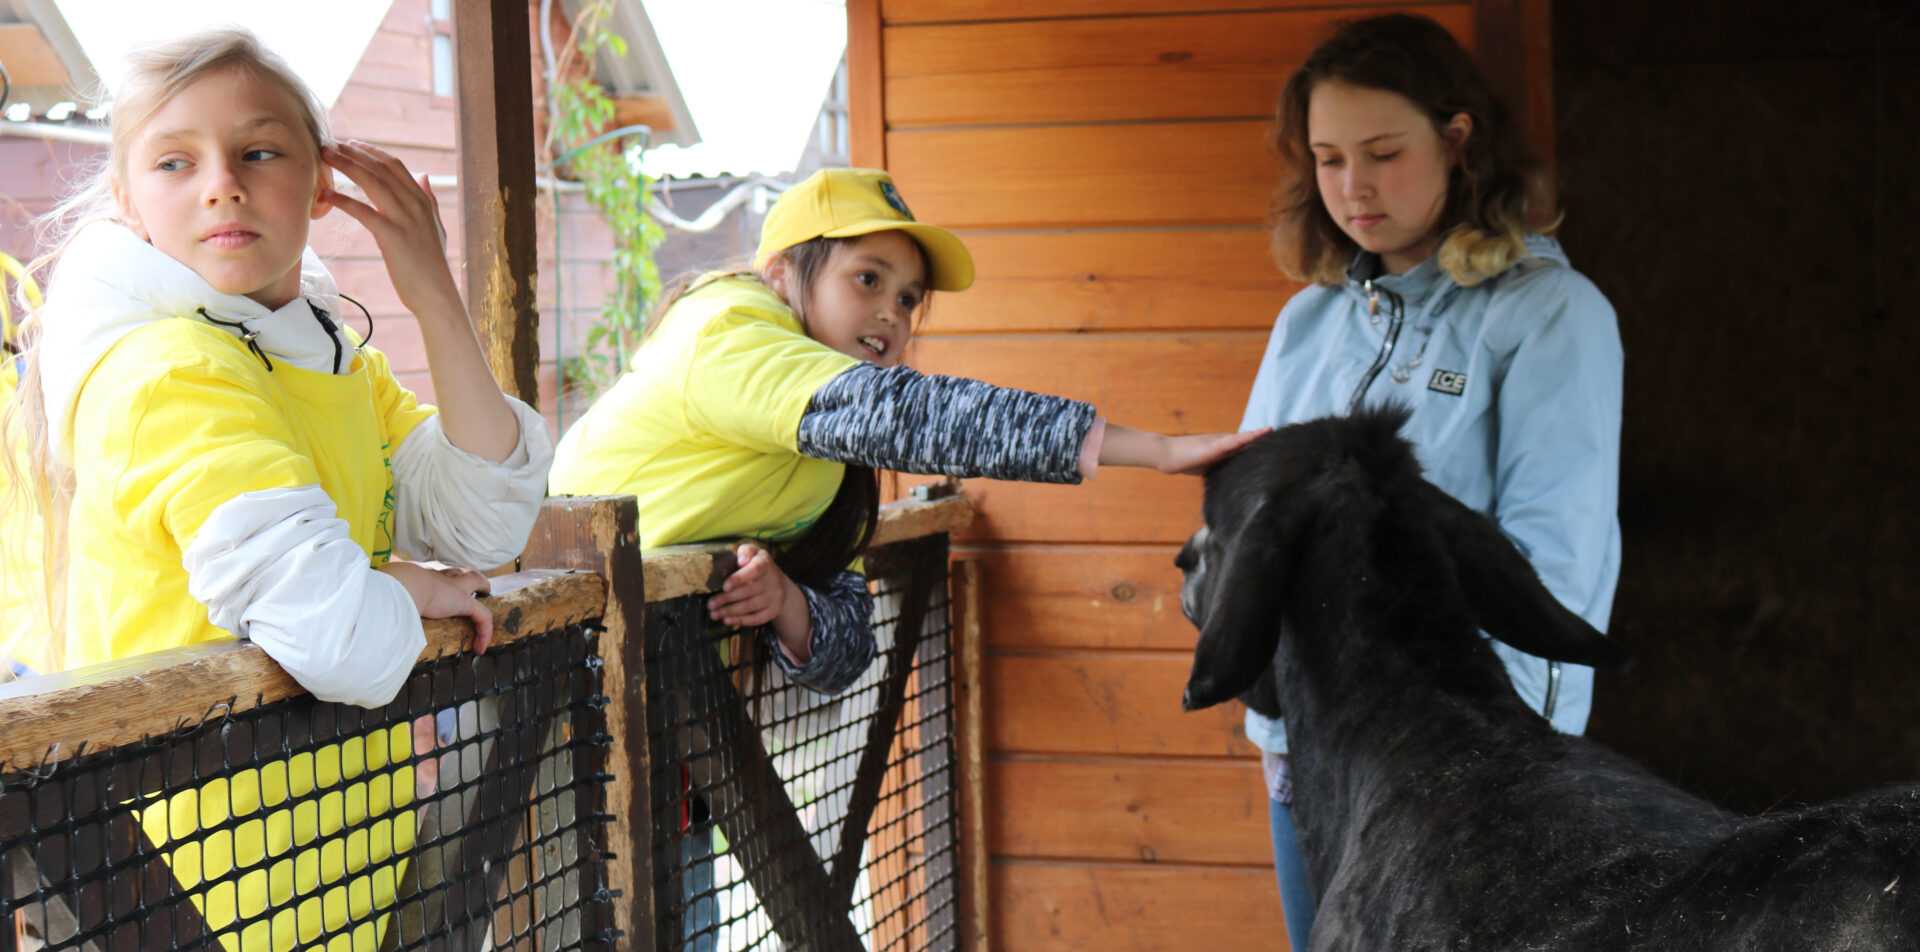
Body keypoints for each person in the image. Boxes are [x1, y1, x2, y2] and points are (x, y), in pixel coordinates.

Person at [548, 166, 1262, 944]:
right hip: (551, 706)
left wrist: (788, 603)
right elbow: (913, 413)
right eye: (868, 278)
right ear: (783, 271)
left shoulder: (828, 454)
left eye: (909, 298)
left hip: (666, 743)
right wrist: (1154, 449)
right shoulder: (727, 333)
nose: (891, 312)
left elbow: (846, 644)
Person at [0, 29, 552, 950]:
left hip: (322, 862)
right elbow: (340, 640)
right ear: (127, 201)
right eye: (176, 161)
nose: (222, 182)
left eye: (259, 151)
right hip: (182, 886)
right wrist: (404, 585)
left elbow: (485, 515)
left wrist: (435, 298)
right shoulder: (167, 371)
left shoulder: (322, 353)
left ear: (322, 180)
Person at [1239, 13, 1623, 948]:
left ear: (1457, 142)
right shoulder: (1308, 322)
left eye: (1381, 152)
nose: (1353, 187)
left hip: (1466, 757)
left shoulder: (1545, 314)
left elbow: (1556, 558)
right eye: (1328, 159)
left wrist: (1514, 756)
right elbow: (1245, 511)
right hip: (1313, 747)